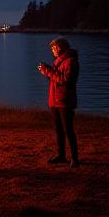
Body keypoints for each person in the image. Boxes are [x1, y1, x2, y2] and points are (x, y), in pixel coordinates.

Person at [38, 37, 80, 167]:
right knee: (59, 130)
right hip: (55, 101)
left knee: (68, 130)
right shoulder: (59, 61)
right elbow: (56, 77)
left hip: (65, 101)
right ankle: (61, 156)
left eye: (54, 48)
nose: (52, 51)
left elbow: (65, 79)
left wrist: (48, 71)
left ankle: (74, 158)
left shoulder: (71, 62)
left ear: (61, 47)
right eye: (52, 48)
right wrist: (48, 70)